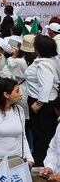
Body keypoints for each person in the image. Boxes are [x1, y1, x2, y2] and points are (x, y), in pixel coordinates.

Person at [25, 34, 60, 166]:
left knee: (42, 137)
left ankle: (40, 164)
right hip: (46, 102)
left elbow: (46, 85)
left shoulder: (44, 65)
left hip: (42, 104)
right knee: (44, 135)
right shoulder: (52, 60)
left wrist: (38, 104)